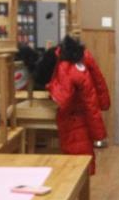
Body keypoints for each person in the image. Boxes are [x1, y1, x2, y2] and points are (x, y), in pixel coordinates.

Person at [46, 34, 110, 173]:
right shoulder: (83, 58)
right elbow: (97, 85)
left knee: (75, 164)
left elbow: (65, 97)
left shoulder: (66, 66)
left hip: (72, 117)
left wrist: (51, 88)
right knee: (79, 161)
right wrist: (103, 103)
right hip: (77, 117)